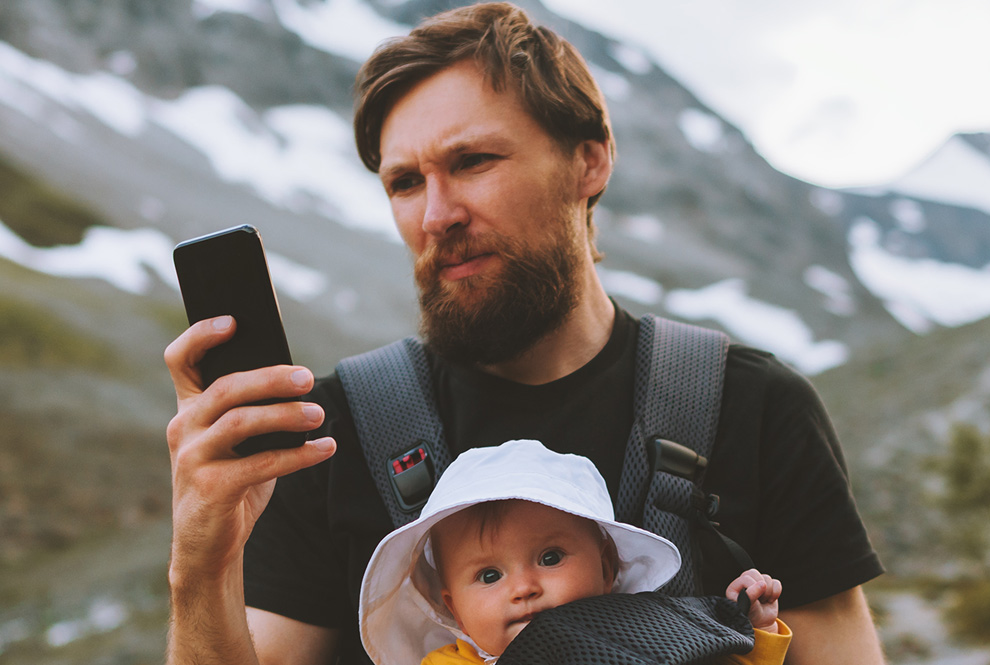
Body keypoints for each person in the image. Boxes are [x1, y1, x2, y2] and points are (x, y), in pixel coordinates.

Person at [163, 3, 885, 664]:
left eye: (472, 162)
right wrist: (201, 566)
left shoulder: (754, 408)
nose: (437, 214)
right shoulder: (326, 437)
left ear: (589, 161)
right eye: (405, 182)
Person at [359, 439, 791, 665]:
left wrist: (752, 632)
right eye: (489, 576)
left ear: (606, 567)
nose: (524, 588)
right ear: (453, 609)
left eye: (550, 558)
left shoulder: (648, 633)